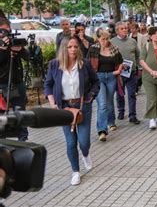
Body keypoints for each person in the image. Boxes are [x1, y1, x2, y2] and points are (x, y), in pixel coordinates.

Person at [44, 36, 99, 186]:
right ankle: (75, 171)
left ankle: (85, 154)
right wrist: (52, 103)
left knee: (84, 141)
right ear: (64, 48)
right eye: (70, 47)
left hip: (82, 106)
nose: (73, 49)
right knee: (70, 142)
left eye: (75, 46)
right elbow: (48, 85)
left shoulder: (84, 64)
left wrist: (90, 96)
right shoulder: (54, 65)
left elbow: (96, 82)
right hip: (64, 108)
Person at [87, 29, 123, 141]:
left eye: (107, 39)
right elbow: (87, 63)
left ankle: (111, 121)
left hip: (111, 77)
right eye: (103, 39)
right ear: (98, 39)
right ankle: (102, 130)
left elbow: (121, 62)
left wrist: (118, 71)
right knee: (102, 104)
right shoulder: (93, 49)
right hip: (98, 78)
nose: (105, 41)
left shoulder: (114, 49)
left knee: (109, 101)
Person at [0, 17, 29, 141]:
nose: (6, 34)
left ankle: (23, 141)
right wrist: (2, 50)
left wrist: (20, 49)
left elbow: (28, 58)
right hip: (1, 85)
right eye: (3, 31)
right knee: (2, 116)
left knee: (20, 113)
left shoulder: (14, 41)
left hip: (17, 83)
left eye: (8, 30)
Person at [110, 21, 141, 124]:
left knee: (132, 94)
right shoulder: (112, 42)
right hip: (119, 73)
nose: (125, 30)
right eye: (122, 28)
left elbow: (137, 55)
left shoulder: (132, 41)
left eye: (126, 28)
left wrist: (139, 68)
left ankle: (132, 115)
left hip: (131, 72)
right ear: (117, 31)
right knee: (120, 94)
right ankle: (121, 111)